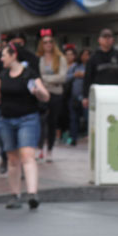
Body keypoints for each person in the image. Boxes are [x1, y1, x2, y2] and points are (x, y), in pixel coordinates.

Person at [0, 41, 50, 209]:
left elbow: (46, 96)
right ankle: (15, 195)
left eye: (4, 55)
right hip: (6, 120)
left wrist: (38, 92)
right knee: (12, 159)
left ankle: (32, 194)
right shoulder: (2, 75)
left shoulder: (29, 74)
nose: (1, 59)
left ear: (13, 56)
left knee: (27, 155)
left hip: (27, 119)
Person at [82, 28, 118, 109]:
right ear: (99, 40)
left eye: (109, 37)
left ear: (112, 40)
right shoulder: (93, 57)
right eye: (104, 37)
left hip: (116, 92)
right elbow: (88, 77)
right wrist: (85, 96)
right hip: (99, 93)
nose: (107, 40)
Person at [36, 32, 66, 162]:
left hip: (56, 94)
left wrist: (45, 79)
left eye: (50, 42)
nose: (48, 44)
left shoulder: (60, 59)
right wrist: (50, 80)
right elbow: (37, 77)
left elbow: (62, 77)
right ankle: (39, 149)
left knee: (52, 122)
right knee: (40, 122)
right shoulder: (39, 59)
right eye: (45, 42)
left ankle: (50, 150)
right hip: (42, 94)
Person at [67, 47, 91, 144]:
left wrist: (85, 75)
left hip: (87, 97)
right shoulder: (75, 66)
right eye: (84, 54)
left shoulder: (91, 66)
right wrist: (75, 75)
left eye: (88, 54)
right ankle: (73, 138)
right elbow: (66, 78)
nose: (86, 57)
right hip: (74, 96)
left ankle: (89, 136)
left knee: (88, 118)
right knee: (73, 118)